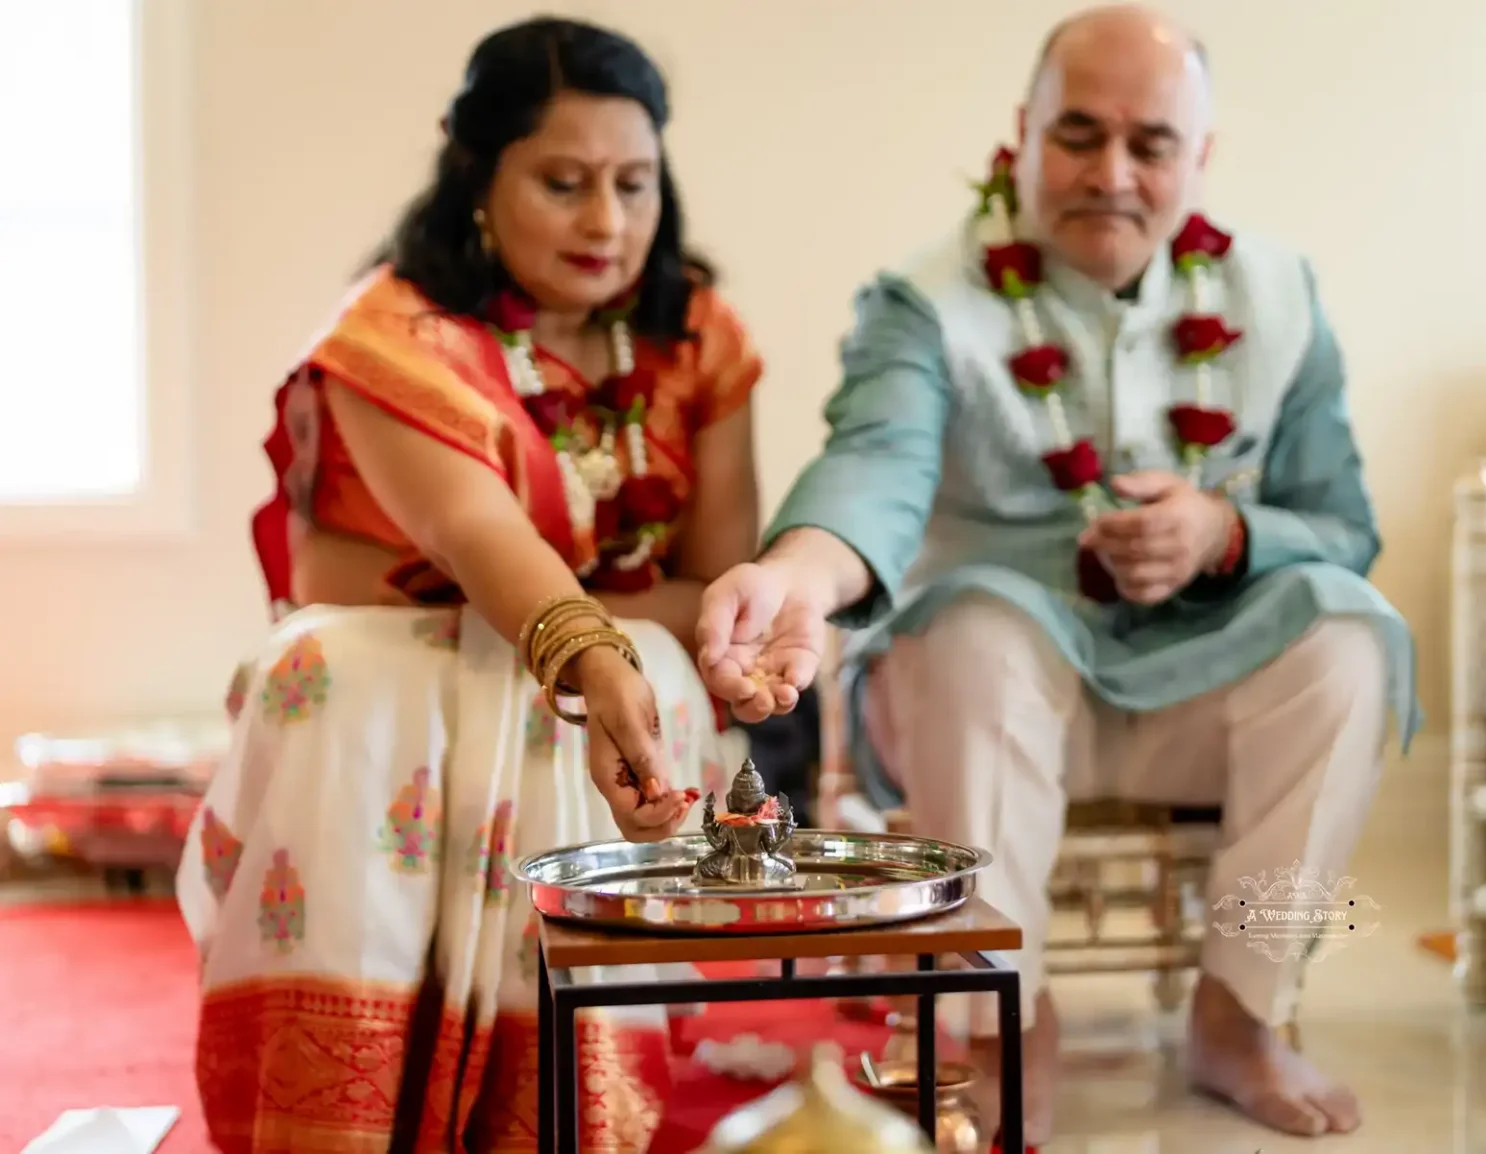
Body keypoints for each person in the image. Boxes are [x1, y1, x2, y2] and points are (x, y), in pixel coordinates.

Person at [696, 4, 1416, 1146]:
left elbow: (1341, 525)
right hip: (977, 706)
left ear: (1202, 160)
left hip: (1200, 696)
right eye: (1078, 135)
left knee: (1350, 636)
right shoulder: (928, 300)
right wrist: (796, 574)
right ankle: (999, 1019)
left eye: (1152, 144)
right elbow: (874, 465)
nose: (1113, 174)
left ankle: (1238, 1018)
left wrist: (1226, 533)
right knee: (977, 626)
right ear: (1020, 136)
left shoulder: (1281, 299)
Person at [176, 17, 766, 1152]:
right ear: (477, 175)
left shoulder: (696, 335)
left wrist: (595, 648)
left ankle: (561, 1106)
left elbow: (710, 588)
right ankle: (339, 1113)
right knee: (336, 670)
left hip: (611, 679)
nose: (608, 222)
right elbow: (469, 523)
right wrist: (585, 649)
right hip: (405, 690)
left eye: (635, 184)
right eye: (565, 182)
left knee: (569, 681)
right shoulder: (391, 337)